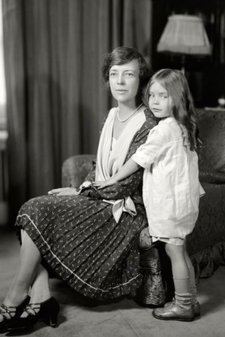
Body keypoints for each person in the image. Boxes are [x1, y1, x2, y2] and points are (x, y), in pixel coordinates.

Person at [0, 46, 158, 333]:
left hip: (126, 212)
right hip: (102, 199)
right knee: (34, 208)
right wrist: (83, 186)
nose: (120, 82)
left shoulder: (148, 124)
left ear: (141, 80)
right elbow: (101, 167)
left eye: (129, 74)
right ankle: (41, 297)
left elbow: (127, 183)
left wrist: (82, 193)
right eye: (114, 74)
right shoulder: (112, 116)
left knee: (35, 210)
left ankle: (15, 296)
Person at [94, 69, 205, 321]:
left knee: (174, 252)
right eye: (151, 95)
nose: (154, 101)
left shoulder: (163, 130)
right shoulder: (183, 126)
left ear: (177, 98)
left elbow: (138, 160)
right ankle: (191, 300)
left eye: (162, 96)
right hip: (185, 203)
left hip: (170, 205)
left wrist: (113, 177)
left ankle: (183, 305)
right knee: (181, 250)